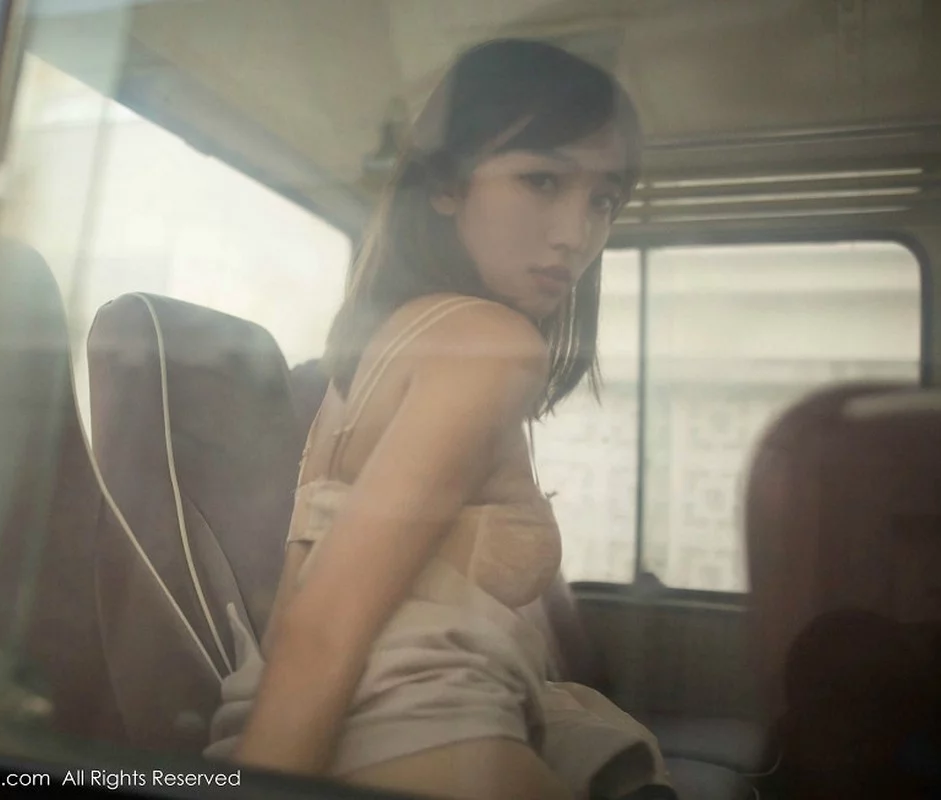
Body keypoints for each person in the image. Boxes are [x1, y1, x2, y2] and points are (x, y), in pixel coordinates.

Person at [204, 39, 672, 800]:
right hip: (424, 744)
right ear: (448, 183)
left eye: (603, 200)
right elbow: (323, 629)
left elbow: (303, 615)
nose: (576, 234)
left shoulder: (400, 340)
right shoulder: (489, 344)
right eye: (542, 180)